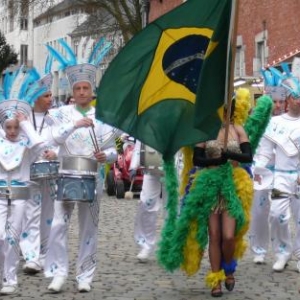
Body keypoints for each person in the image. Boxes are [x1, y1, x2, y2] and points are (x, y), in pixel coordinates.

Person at [157, 88, 272, 297]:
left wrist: (227, 153)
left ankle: (229, 268)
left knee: (228, 236)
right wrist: (214, 160)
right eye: (220, 109)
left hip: (230, 187)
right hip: (209, 188)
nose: (223, 112)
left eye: (226, 108)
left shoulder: (237, 130)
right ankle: (215, 279)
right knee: (214, 234)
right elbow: (197, 159)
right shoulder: (205, 132)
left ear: (231, 109)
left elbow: (248, 155)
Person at [43, 38, 117, 293]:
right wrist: (74, 125)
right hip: (64, 176)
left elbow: (113, 152)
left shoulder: (103, 118)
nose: (83, 92)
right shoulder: (60, 115)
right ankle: (58, 272)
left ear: (92, 90)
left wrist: (104, 157)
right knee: (59, 225)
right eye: (79, 88)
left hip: (91, 178)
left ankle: (85, 274)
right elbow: (51, 139)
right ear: (73, 91)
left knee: (88, 228)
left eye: (86, 88)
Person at [0, 68, 48, 295]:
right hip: (0, 196)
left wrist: (26, 124)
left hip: (19, 198)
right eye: (7, 127)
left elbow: (41, 147)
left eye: (15, 127)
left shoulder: (27, 144)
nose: (11, 131)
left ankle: (10, 279)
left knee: (12, 238)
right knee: (0, 236)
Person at [253, 60, 300, 272]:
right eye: (296, 97)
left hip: (298, 175)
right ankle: (282, 251)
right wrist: (256, 170)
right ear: (289, 98)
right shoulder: (274, 124)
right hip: (280, 176)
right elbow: (264, 151)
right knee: (276, 215)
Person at [20, 71, 58, 274]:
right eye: (46, 95)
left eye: (51, 95)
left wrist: (56, 153)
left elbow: (63, 142)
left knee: (49, 215)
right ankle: (31, 256)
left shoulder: (55, 119)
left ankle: (44, 253)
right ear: (35, 97)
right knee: (31, 214)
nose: (51, 99)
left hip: (51, 173)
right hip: (29, 173)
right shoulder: (23, 118)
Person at [250, 68, 287, 265]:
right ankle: (259, 249)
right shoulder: (257, 121)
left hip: (283, 173)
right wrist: (254, 169)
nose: (278, 106)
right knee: (258, 212)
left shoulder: (289, 122)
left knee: (279, 214)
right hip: (261, 172)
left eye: (282, 102)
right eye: (275, 102)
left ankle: (283, 251)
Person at [130, 140, 166, 262]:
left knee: (172, 209)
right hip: (151, 166)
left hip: (174, 168)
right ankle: (146, 244)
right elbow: (141, 140)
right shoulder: (147, 121)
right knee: (146, 203)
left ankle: (170, 247)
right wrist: (134, 165)